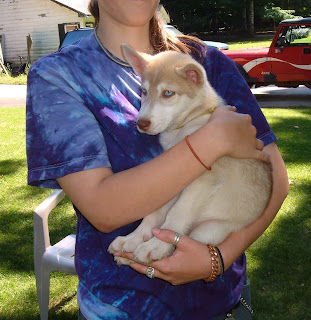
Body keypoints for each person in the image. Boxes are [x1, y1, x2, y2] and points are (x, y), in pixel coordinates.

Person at [26, 0, 289, 319]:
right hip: (118, 308)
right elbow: (103, 209)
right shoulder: (59, 76)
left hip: (223, 304)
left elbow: (273, 178)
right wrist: (211, 140)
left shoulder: (209, 64)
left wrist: (216, 258)